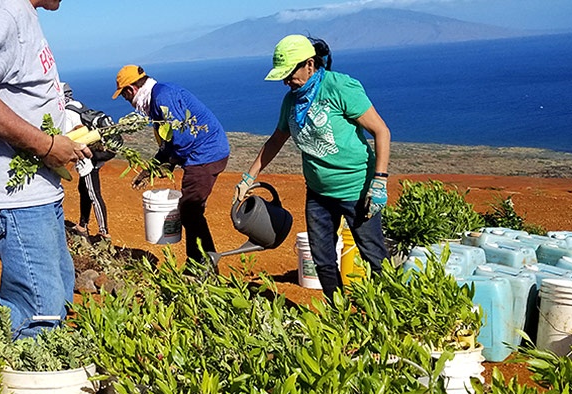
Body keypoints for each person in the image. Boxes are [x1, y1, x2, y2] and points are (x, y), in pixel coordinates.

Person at [0, 0, 92, 339]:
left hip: (33, 196)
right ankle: (25, 388)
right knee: (39, 314)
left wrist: (60, 141)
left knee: (56, 297)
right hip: (15, 200)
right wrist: (45, 145)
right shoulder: (0, 12)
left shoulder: (16, 13)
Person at [239, 35, 391, 300]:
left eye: (290, 74)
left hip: (356, 189)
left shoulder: (339, 87)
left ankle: (392, 313)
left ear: (309, 64)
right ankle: (338, 312)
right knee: (322, 260)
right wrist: (249, 177)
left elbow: (381, 131)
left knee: (374, 256)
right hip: (319, 194)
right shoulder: (291, 101)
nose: (287, 82)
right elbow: (276, 139)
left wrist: (379, 182)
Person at [112, 64, 230, 262]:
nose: (129, 102)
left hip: (205, 156)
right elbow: (169, 144)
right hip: (205, 154)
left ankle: (202, 264)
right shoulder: (159, 95)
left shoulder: (162, 97)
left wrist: (170, 162)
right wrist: (150, 169)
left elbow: (182, 140)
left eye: (125, 96)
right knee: (191, 210)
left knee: (190, 210)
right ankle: (201, 262)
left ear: (131, 89)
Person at [63, 83, 111, 239]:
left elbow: (78, 129)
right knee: (84, 190)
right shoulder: (78, 105)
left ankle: (104, 233)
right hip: (94, 155)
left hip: (87, 160)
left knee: (93, 194)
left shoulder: (68, 112)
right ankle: (83, 225)